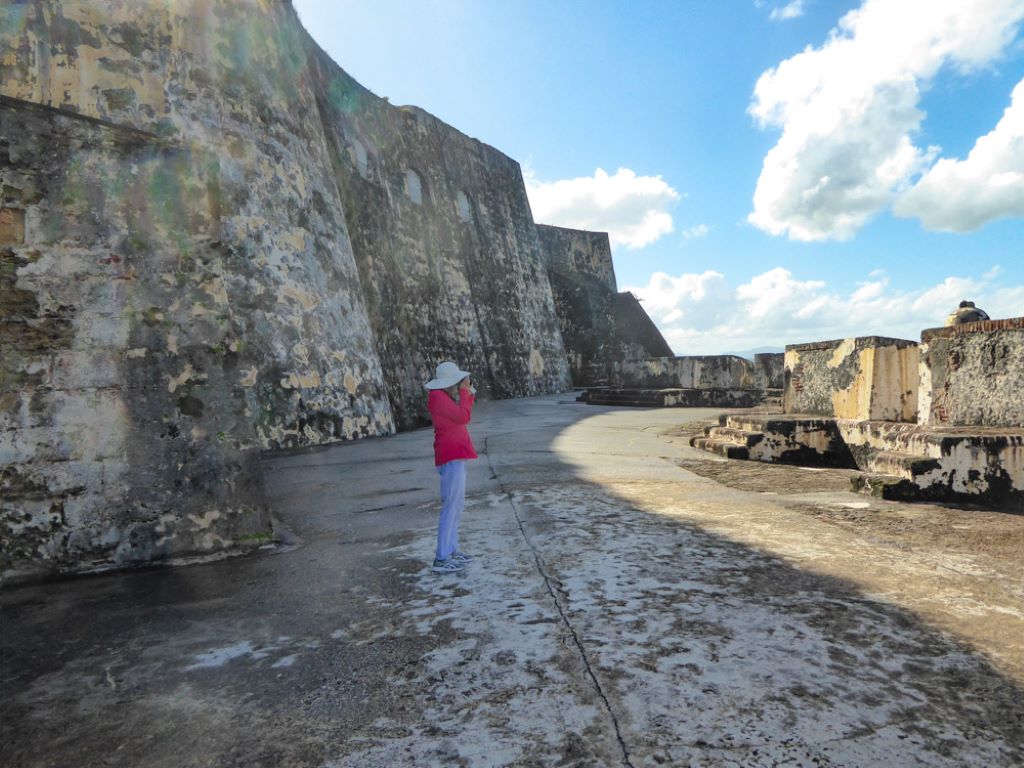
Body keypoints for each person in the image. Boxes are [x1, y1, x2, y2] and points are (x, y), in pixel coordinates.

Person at [424, 361, 478, 574]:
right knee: (450, 506)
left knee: (456, 505)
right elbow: (463, 417)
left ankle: (451, 549)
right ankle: (442, 556)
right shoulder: (437, 398)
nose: (459, 385)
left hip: (455, 453)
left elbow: (462, 415)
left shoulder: (442, 397)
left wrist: (468, 394)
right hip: (451, 454)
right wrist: (465, 393)